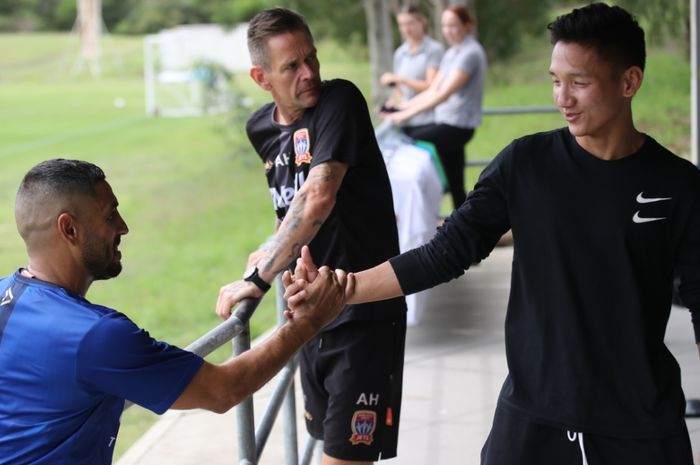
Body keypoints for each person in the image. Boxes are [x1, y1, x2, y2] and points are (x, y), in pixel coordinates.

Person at [286, 3, 700, 464]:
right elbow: (444, 253)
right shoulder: (525, 165)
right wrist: (342, 290)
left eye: (579, 83)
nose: (562, 98)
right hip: (532, 423)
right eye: (555, 80)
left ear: (629, 82)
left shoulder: (678, 185)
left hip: (641, 429)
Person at [0, 158, 349, 465]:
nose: (123, 227)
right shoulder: (94, 336)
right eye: (110, 215)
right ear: (69, 229)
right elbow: (223, 390)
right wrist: (309, 321)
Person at [215, 8, 407, 465]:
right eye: (292, 67)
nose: (310, 73)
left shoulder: (339, 101)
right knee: (322, 442)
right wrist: (276, 247)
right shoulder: (260, 128)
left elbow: (318, 195)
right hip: (310, 312)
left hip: (363, 312)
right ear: (261, 78)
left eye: (312, 58)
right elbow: (292, 204)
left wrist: (259, 278)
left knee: (343, 458)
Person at [383, 4, 486, 209]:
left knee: (408, 143)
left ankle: (419, 210)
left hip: (457, 126)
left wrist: (404, 115)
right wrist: (402, 109)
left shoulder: (470, 53)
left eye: (453, 25)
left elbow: (442, 94)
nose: (448, 30)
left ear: (467, 26)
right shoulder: (451, 54)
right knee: (456, 183)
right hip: (446, 122)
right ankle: (466, 228)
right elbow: (431, 90)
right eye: (445, 25)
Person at [380, 3, 444, 130]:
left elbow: (432, 87)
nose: (406, 29)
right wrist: (394, 105)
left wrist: (402, 80)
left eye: (410, 23)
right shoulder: (400, 53)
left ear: (422, 22)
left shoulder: (434, 50)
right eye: (402, 25)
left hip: (428, 119)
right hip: (405, 118)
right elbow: (399, 91)